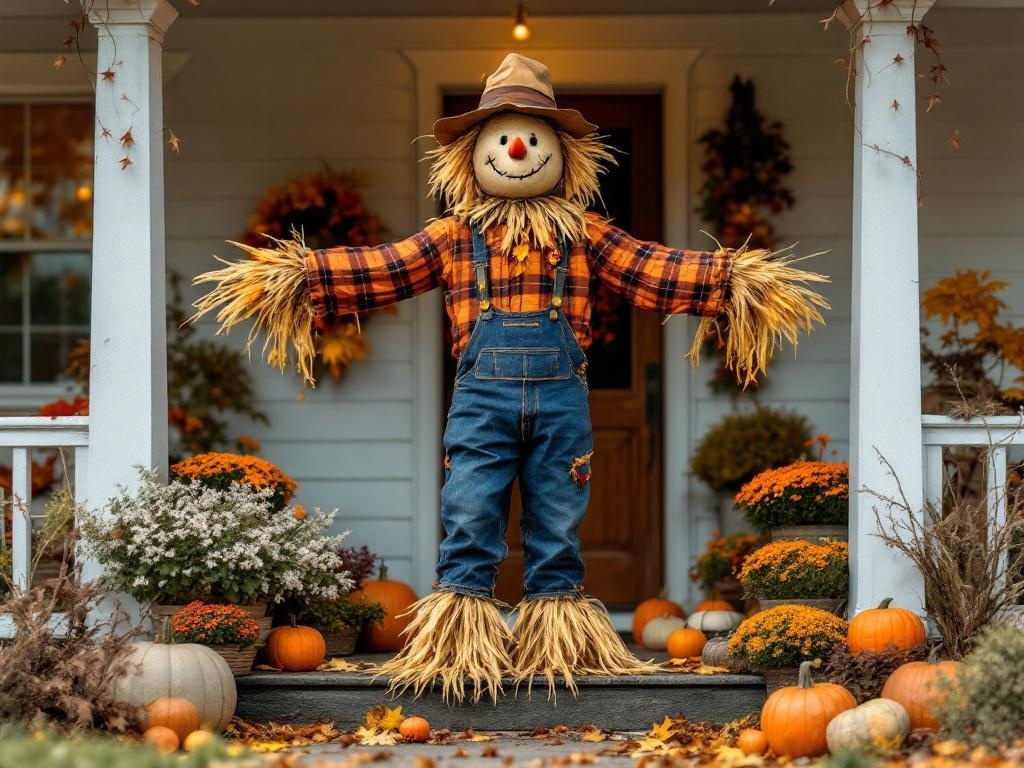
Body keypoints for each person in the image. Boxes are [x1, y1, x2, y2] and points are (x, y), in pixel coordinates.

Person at [192, 53, 828, 704]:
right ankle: (462, 639)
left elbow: (651, 269)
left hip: (563, 407)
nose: (518, 147)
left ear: (562, 153)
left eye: (531, 135)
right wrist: (305, 278)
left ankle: (555, 637)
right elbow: (384, 266)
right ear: (472, 155)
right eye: (501, 137)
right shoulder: (453, 236)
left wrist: (731, 282)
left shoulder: (584, 235)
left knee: (556, 522)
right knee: (470, 513)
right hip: (481, 404)